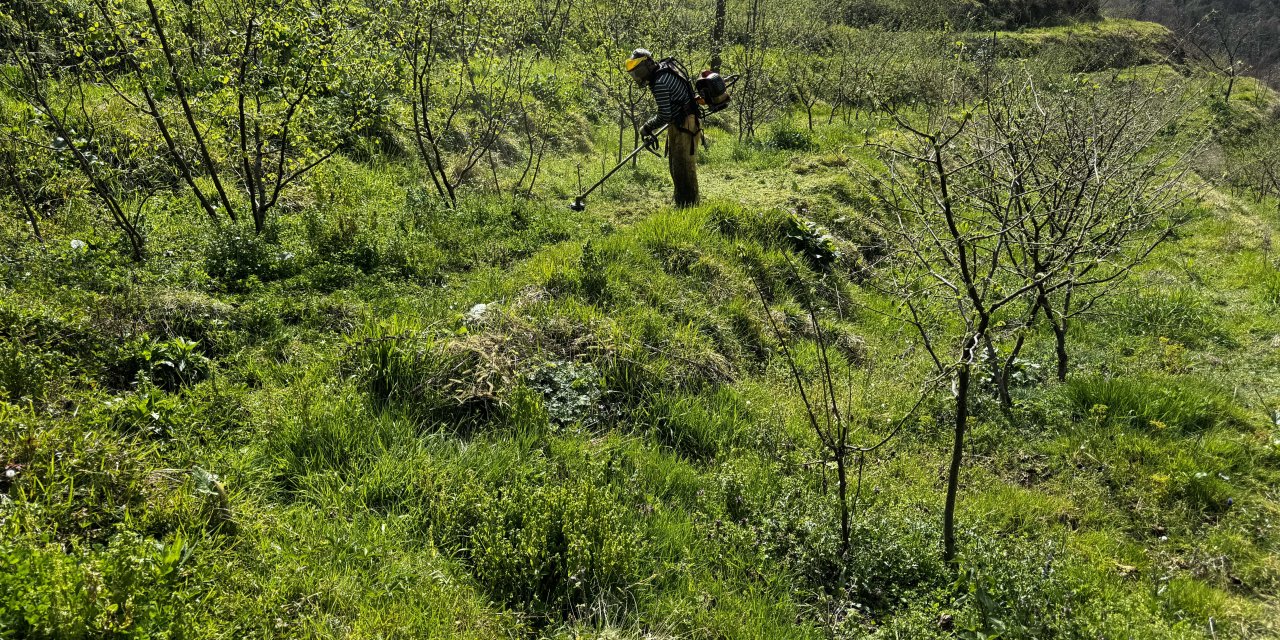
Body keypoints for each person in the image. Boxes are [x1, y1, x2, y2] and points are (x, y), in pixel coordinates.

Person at [625, 48, 701, 208]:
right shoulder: (664, 69)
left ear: (647, 65)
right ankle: (684, 203)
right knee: (676, 166)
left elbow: (665, 115)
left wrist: (647, 126)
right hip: (683, 121)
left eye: (638, 71)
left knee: (682, 169)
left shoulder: (659, 83)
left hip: (685, 125)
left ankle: (688, 206)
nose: (637, 77)